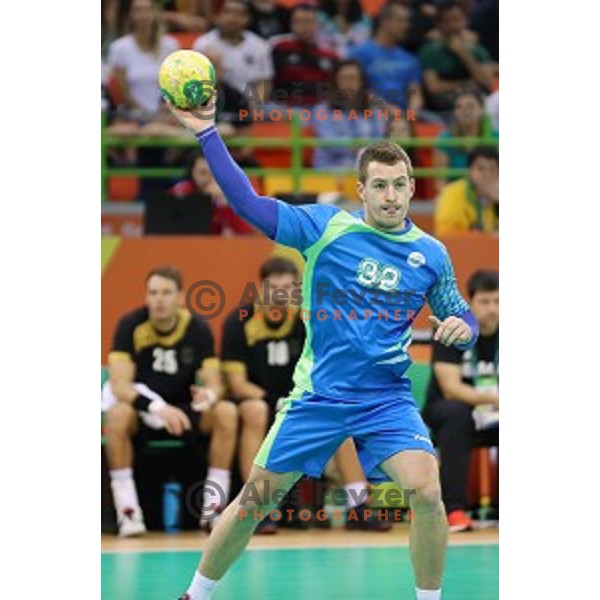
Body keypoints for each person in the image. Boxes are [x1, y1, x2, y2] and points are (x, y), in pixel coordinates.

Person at [166, 92, 479, 600]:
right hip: (319, 399)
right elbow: (248, 204)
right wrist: (207, 133)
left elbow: (459, 309)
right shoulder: (325, 228)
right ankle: (194, 595)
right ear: (361, 189)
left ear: (412, 187)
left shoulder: (430, 254)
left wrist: (464, 327)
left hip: (385, 399)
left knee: (426, 490)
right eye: (380, 186)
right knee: (253, 502)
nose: (392, 196)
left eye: (400, 185)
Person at [221, 256, 391, 532]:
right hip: (257, 403)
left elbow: (324, 372)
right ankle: (257, 509)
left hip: (299, 401)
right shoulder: (239, 321)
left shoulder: (308, 320)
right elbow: (238, 384)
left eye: (287, 288)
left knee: (338, 414)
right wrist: (271, 400)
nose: (279, 294)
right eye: (272, 286)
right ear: (260, 287)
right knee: (255, 411)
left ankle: (358, 506)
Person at [102, 266, 239, 536]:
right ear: (146, 296)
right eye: (153, 293)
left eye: (166, 293)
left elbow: (214, 381)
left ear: (180, 297)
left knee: (226, 411)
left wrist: (208, 396)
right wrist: (156, 407)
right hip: (144, 411)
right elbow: (120, 385)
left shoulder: (197, 329)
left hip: (185, 412)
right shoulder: (130, 325)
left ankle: (213, 511)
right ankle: (128, 513)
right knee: (117, 415)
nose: (159, 299)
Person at [423, 270, 499, 532]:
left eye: (498, 302)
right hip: (447, 409)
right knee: (458, 414)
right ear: (471, 303)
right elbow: (451, 387)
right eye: (485, 302)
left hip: (494, 412)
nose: (492, 309)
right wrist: (493, 399)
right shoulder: (454, 330)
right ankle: (454, 509)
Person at [193, 0, 273, 108]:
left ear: (248, 18)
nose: (233, 18)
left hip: (249, 103)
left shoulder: (260, 45)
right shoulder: (203, 44)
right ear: (216, 16)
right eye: (227, 12)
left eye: (239, 14)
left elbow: (264, 82)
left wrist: (253, 106)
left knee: (288, 114)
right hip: (216, 102)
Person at [419, 1, 494, 114]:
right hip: (446, 107)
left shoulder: (477, 49)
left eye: (458, 19)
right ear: (439, 25)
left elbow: (485, 81)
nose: (454, 25)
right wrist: (465, 84)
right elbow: (433, 87)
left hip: (478, 104)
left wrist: (463, 53)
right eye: (449, 21)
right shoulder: (430, 51)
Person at [310, 59, 387, 169]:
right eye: (344, 78)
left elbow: (380, 141)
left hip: (367, 169)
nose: (349, 83)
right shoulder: (321, 110)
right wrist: (361, 145)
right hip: (331, 169)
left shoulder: (374, 111)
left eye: (353, 78)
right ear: (335, 81)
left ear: (362, 82)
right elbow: (331, 144)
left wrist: (359, 147)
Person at [349, 2, 423, 112]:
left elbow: (415, 93)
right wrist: (389, 109)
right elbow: (359, 89)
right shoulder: (359, 53)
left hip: (402, 118)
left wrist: (411, 112)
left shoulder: (410, 59)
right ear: (385, 22)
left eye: (407, 21)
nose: (406, 26)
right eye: (400, 20)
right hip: (370, 113)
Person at [169, 150, 255, 236]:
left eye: (214, 173)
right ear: (191, 174)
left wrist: (223, 202)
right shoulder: (181, 191)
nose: (209, 178)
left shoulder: (233, 193)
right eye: (203, 173)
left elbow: (246, 234)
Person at [270, 4, 339, 107]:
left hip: (319, 110)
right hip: (285, 107)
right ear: (291, 25)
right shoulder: (279, 48)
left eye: (308, 22)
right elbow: (267, 81)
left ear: (317, 25)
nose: (304, 26)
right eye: (298, 22)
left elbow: (335, 88)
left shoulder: (330, 55)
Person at [433, 87, 498, 190]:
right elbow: (440, 182)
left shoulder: (497, 138)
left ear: (481, 109)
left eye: (470, 106)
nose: (465, 111)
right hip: (455, 196)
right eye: (459, 107)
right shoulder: (445, 139)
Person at [434, 146, 499, 237]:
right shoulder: (453, 192)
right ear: (470, 171)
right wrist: (485, 236)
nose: (486, 175)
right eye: (480, 169)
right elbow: (445, 233)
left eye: (492, 169)